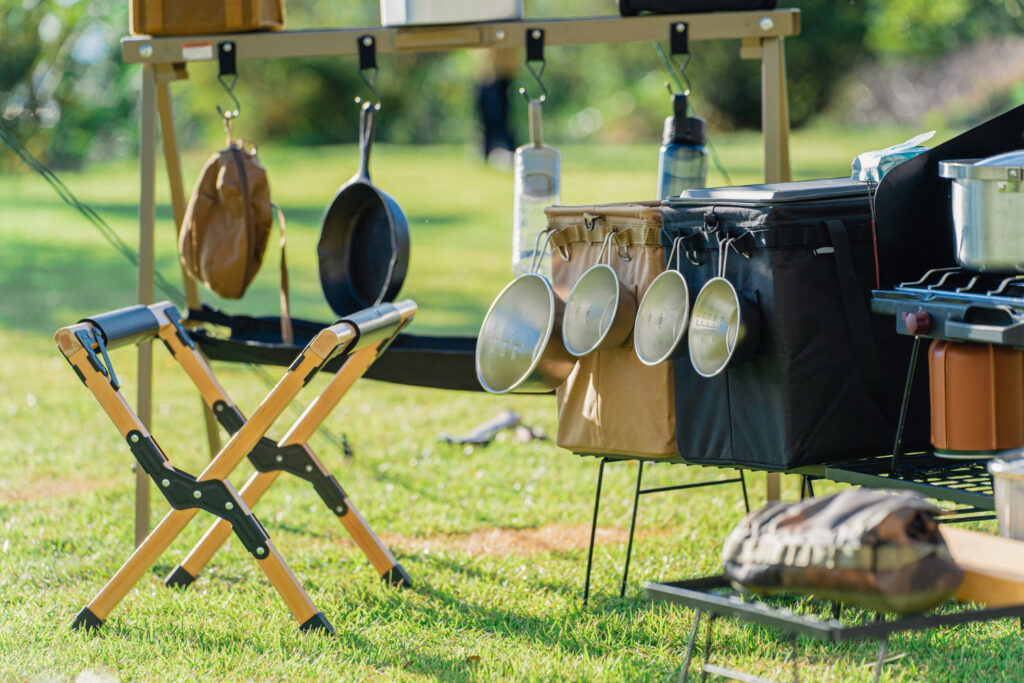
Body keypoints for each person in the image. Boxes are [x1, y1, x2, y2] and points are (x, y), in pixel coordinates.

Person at [474, 46, 519, 168]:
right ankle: (494, 145)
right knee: (492, 100)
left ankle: (499, 145)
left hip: (500, 67)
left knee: (502, 102)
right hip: (490, 68)